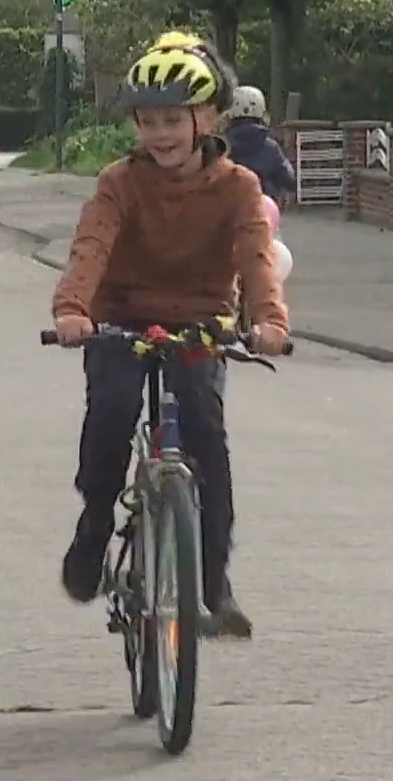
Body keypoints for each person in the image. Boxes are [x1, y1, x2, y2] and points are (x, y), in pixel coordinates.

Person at [49, 31, 289, 639]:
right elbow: (91, 245)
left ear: (207, 117)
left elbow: (257, 257)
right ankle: (96, 521)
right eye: (147, 121)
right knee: (111, 411)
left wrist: (269, 321)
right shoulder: (119, 182)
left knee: (206, 432)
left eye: (172, 120)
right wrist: (74, 309)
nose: (158, 134)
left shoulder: (238, 187)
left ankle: (214, 580)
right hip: (122, 317)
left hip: (203, 318)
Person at [221, 86, 296, 202]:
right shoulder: (271, 147)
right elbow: (288, 179)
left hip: (229, 209)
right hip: (263, 208)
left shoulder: (220, 145)